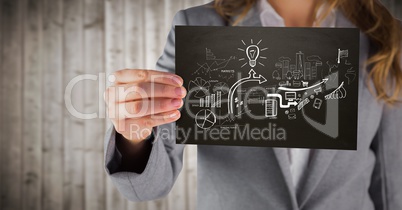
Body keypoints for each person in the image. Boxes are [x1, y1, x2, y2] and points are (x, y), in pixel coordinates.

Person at [104, 0, 402, 209]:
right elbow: (148, 186)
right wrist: (133, 135)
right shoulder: (198, 25)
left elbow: (390, 183)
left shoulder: (384, 37)